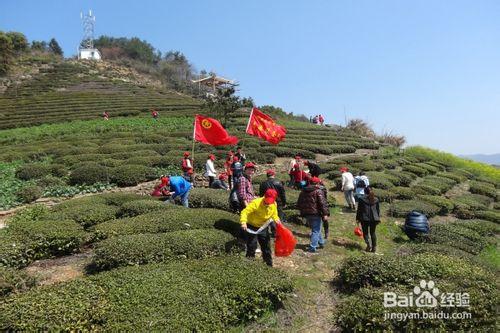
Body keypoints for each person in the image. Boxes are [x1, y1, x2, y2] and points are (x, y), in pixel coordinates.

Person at [240, 188, 282, 266]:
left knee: (266, 246)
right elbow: (244, 212)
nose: (268, 203)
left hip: (263, 227)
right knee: (252, 246)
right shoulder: (256, 203)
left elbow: (274, 214)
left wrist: (276, 220)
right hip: (251, 226)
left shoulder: (274, 204)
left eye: (271, 202)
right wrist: (243, 222)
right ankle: (249, 264)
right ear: (264, 196)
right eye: (267, 201)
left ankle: (268, 265)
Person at [297, 177, 330, 253]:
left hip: (306, 213)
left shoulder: (303, 191)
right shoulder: (318, 191)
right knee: (315, 230)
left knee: (315, 229)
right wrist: (325, 213)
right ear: (317, 183)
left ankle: (321, 242)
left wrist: (302, 211)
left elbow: (299, 203)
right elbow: (322, 203)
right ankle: (313, 247)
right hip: (316, 213)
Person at [356, 187, 381, 253]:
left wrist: (357, 218)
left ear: (364, 192)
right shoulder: (376, 199)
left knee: (365, 232)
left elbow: (359, 210)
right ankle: (374, 247)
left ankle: (368, 245)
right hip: (374, 218)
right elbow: (378, 210)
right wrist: (378, 219)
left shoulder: (361, 199)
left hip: (364, 218)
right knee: (373, 232)